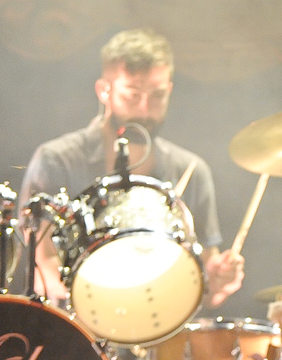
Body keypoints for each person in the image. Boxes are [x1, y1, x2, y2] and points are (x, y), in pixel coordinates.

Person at [18, 28, 244, 307]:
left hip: (160, 334)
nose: (145, 110)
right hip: (75, 330)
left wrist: (219, 280)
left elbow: (208, 289)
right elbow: (42, 264)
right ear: (104, 90)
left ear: (170, 90)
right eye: (133, 95)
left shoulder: (192, 170)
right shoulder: (57, 160)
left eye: (158, 96)